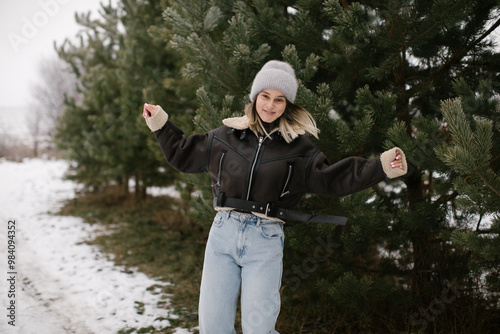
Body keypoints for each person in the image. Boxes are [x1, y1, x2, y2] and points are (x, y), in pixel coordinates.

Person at [142, 60, 407, 334]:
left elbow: (333, 179)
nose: (270, 105)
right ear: (255, 97)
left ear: (287, 105)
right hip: (222, 234)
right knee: (213, 328)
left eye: (279, 100)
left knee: (259, 329)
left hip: (264, 239)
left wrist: (381, 166)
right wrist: (160, 123)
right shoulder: (225, 136)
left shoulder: (300, 149)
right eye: (265, 96)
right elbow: (183, 154)